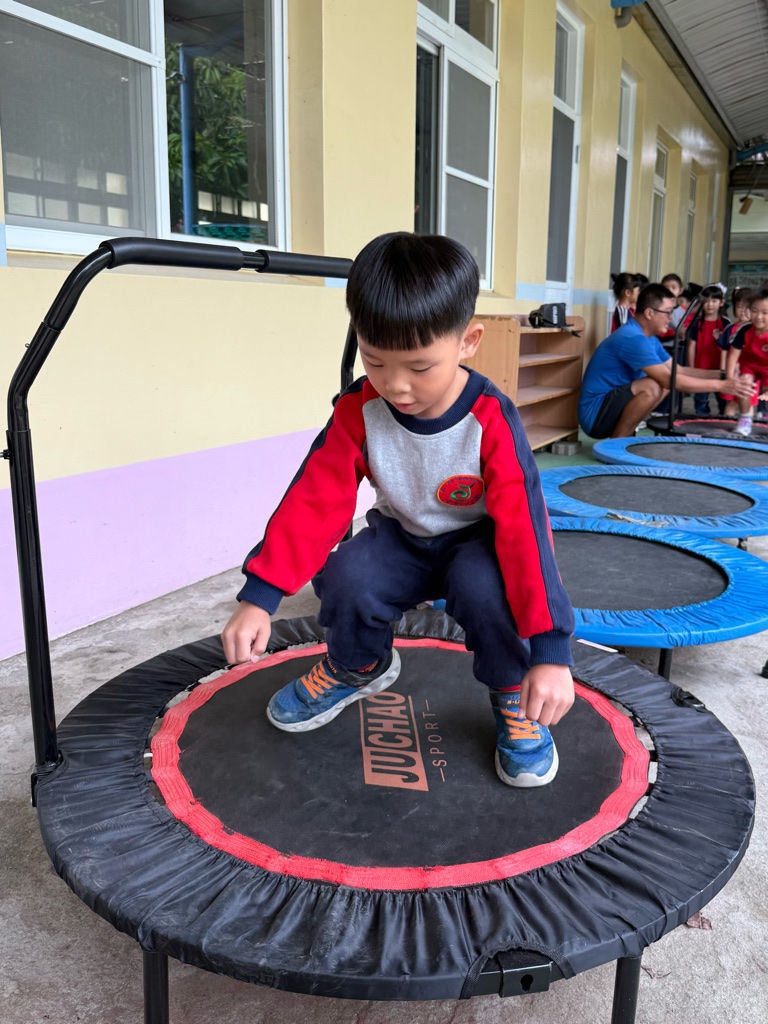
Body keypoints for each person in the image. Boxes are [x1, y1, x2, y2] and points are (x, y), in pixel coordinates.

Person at [221, 232, 575, 789]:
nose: (396, 385)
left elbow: (526, 533)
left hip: (478, 544)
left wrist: (550, 651)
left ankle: (512, 693)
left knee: (489, 590)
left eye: (420, 366)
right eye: (375, 360)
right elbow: (315, 500)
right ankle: (360, 664)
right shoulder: (359, 409)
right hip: (402, 537)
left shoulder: (491, 420)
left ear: (468, 342)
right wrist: (260, 596)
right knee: (348, 575)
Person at [579, 284, 752, 438]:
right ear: (649, 313)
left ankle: (627, 435)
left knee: (664, 382)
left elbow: (678, 370)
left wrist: (723, 375)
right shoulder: (632, 338)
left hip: (608, 409)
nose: (671, 318)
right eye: (668, 312)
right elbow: (669, 379)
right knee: (654, 385)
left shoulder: (648, 338)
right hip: (595, 416)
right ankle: (618, 440)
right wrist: (723, 386)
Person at [725, 286, 768, 435]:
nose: (758, 317)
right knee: (744, 385)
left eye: (765, 313)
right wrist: (729, 378)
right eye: (754, 311)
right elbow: (733, 355)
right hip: (749, 365)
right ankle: (744, 419)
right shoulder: (744, 330)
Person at [685, 285, 730, 415]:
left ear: (721, 303)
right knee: (700, 400)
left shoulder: (725, 323)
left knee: (723, 399)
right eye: (706, 301)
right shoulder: (697, 323)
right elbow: (691, 346)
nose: (710, 305)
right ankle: (701, 420)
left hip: (720, 369)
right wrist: (691, 369)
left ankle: (722, 421)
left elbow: (730, 348)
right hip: (701, 370)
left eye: (714, 301)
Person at [717, 287, 754, 418]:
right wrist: (724, 370)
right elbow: (724, 350)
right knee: (731, 402)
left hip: (750, 373)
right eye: (739, 307)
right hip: (732, 371)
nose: (743, 311)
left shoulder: (755, 330)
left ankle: (747, 425)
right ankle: (728, 423)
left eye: (747, 307)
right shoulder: (730, 329)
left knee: (749, 402)